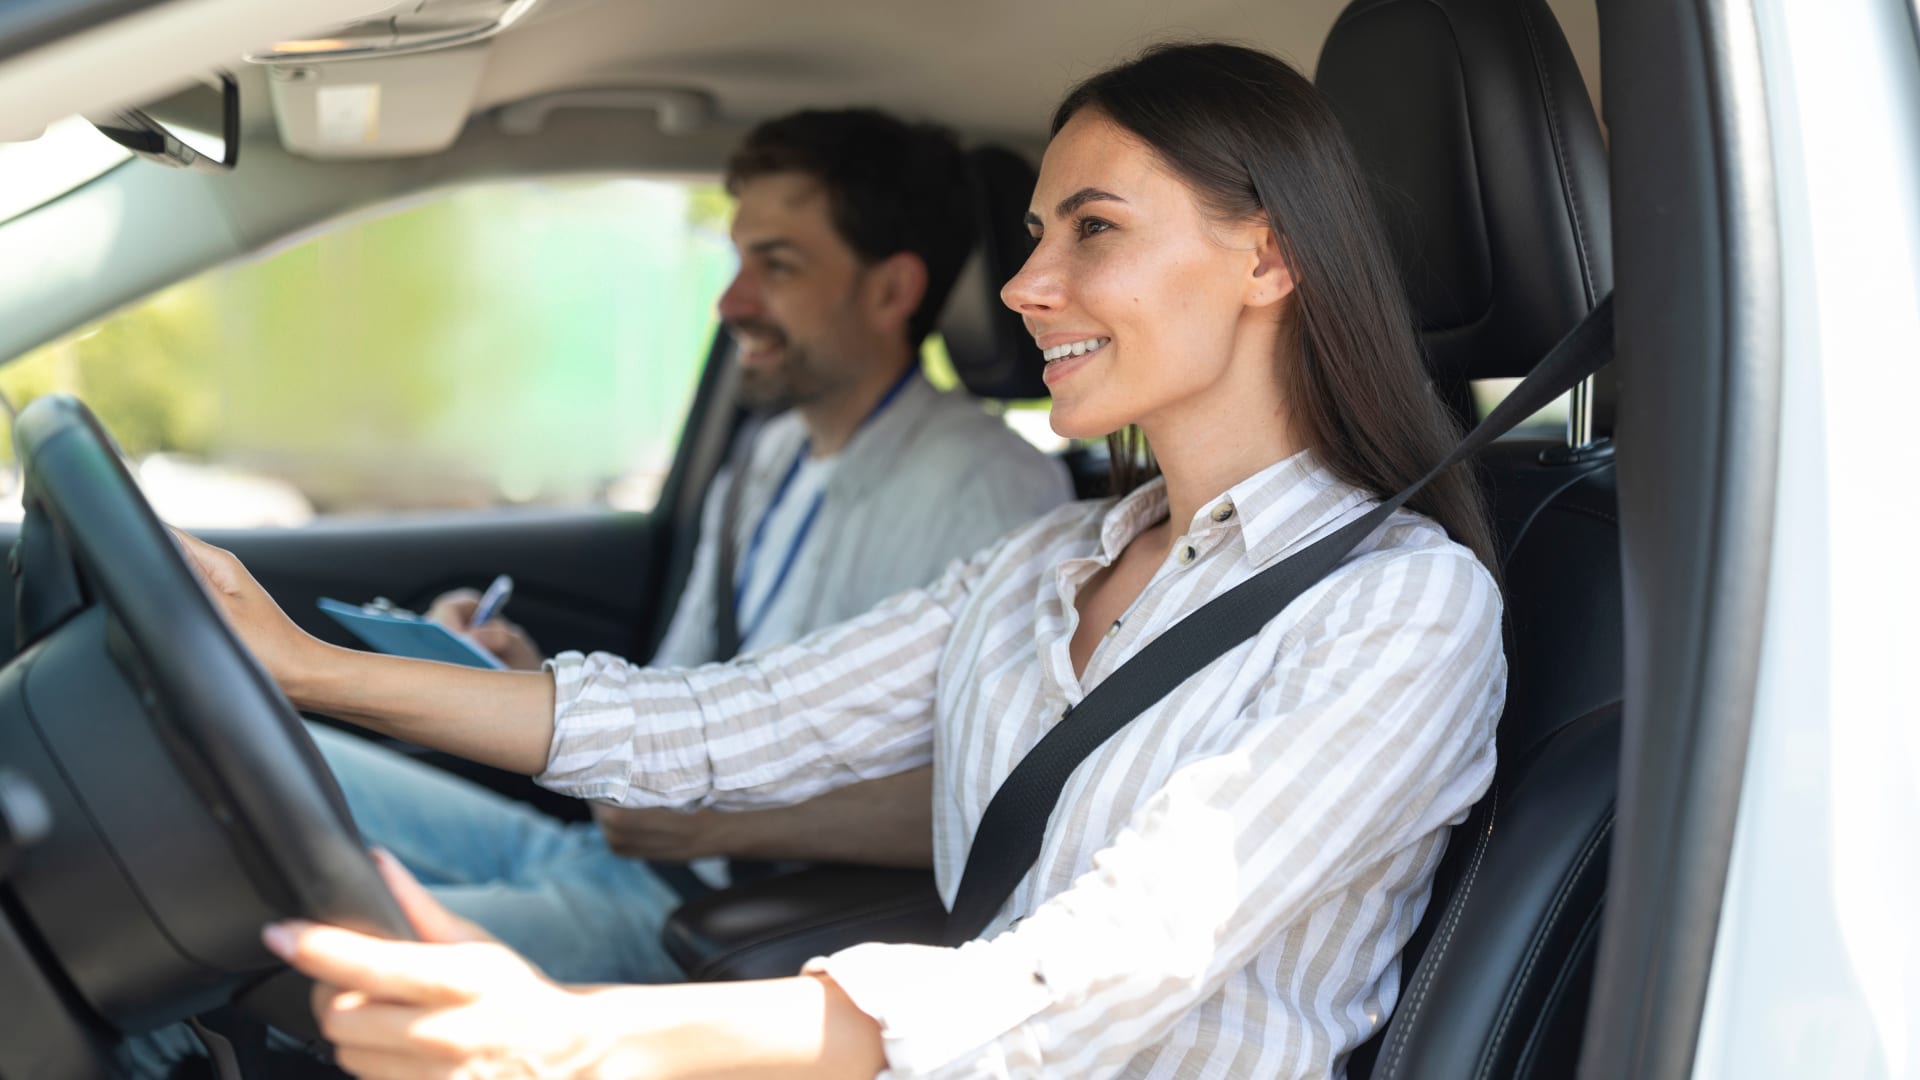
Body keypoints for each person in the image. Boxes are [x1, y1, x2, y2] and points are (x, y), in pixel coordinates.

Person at [184, 41, 1505, 1078]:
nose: (1023, 285)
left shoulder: (1402, 610)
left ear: (1268, 255)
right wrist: (310, 673)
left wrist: (586, 1039)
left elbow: (1101, 967)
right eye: (1037, 235)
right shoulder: (1045, 563)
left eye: (1092, 229)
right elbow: (715, 725)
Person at [307, 106, 1074, 985]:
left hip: (716, 916)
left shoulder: (991, 491)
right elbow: (689, 696)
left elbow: (990, 796)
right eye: (739, 260)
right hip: (610, 854)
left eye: (777, 265)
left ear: (891, 290)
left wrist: (718, 826)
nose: (731, 301)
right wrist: (529, 676)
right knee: (273, 761)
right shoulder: (769, 452)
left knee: (314, 940)